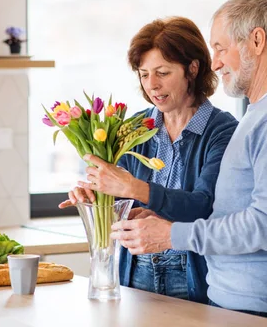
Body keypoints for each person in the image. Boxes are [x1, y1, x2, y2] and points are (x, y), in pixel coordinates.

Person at [110, 0, 267, 327]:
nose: (214, 62)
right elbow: (234, 211)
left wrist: (173, 236)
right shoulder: (265, 110)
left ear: (256, 40)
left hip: (263, 307)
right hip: (238, 302)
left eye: (220, 47)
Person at [59, 16, 238, 304]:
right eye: (144, 74)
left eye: (163, 72)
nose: (152, 85)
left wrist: (134, 188)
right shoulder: (135, 128)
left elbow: (204, 205)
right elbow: (119, 201)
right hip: (136, 271)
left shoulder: (223, 132)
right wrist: (94, 195)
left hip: (192, 274)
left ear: (192, 69)